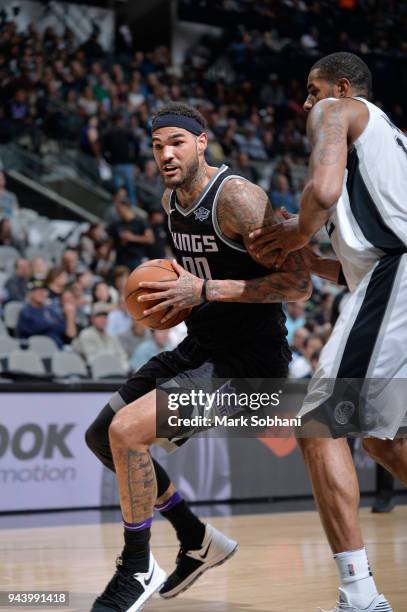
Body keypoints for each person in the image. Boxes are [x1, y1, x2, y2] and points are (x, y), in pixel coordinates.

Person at [85, 102, 312, 611]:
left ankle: (137, 568)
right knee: (103, 434)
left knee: (128, 433)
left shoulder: (237, 198)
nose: (166, 154)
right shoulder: (170, 199)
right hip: (201, 346)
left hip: (249, 364)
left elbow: (298, 285)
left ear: (202, 142)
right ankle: (196, 538)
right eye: (157, 146)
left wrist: (205, 290)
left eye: (176, 143)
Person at [249, 52, 407, 612]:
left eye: (312, 91)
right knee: (384, 441)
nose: (308, 104)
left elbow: (321, 192)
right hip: (388, 276)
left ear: (341, 86)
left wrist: (292, 232)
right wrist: (311, 257)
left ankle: (359, 596)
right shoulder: (389, 138)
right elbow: (349, 267)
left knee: (320, 424)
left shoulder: (340, 112)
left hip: (398, 274)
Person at [17, 279, 76, 348]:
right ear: (30, 293)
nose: (41, 293)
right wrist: (53, 323)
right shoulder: (26, 312)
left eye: (43, 290)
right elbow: (37, 327)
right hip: (37, 349)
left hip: (57, 347)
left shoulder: (49, 310)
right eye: (37, 291)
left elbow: (63, 328)